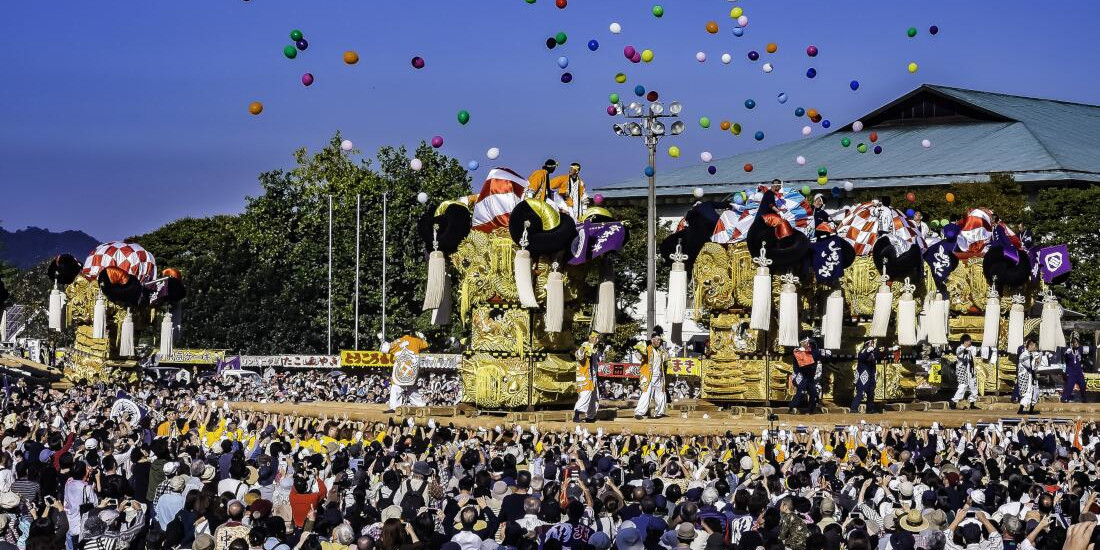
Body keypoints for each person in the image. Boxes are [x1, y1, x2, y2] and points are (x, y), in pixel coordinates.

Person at [383, 334, 429, 413]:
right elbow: (426, 344)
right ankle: (420, 404)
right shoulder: (417, 341)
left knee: (396, 387)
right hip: (412, 369)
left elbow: (384, 349)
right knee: (412, 387)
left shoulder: (398, 341)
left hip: (402, 368)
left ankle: (394, 406)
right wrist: (421, 337)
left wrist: (384, 341)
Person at [634, 333, 669, 420]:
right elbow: (638, 356)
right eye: (657, 339)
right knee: (646, 394)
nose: (659, 341)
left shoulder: (660, 351)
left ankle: (659, 412)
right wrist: (640, 351)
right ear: (652, 340)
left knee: (661, 394)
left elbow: (667, 359)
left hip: (659, 376)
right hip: (648, 376)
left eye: (660, 340)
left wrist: (664, 349)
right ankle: (639, 412)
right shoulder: (647, 348)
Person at [789, 337, 822, 415]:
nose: (811, 346)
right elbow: (806, 363)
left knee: (813, 393)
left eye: (812, 344)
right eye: (809, 344)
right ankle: (792, 407)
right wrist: (817, 352)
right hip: (801, 375)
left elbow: (817, 355)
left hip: (809, 377)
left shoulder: (812, 352)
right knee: (801, 392)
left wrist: (822, 352)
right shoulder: (798, 352)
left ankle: (811, 409)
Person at [573, 332, 601, 423]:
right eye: (596, 338)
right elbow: (580, 355)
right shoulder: (584, 347)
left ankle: (590, 417)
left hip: (593, 377)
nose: (597, 340)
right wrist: (584, 348)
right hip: (584, 377)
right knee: (585, 395)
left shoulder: (593, 349)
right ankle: (577, 415)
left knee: (594, 397)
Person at [950, 335, 980, 409]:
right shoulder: (959, 348)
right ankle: (954, 402)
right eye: (969, 340)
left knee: (974, 386)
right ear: (965, 341)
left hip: (971, 371)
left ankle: (972, 403)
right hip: (962, 370)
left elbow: (976, 352)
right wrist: (964, 350)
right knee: (962, 386)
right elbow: (959, 354)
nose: (970, 342)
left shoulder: (972, 348)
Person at [1017, 339, 1045, 415]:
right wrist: (1035, 360)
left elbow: (1036, 366)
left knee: (1035, 393)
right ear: (1030, 345)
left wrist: (1037, 361)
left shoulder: (1033, 354)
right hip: (1025, 378)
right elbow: (1029, 365)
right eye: (1034, 346)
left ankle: (1031, 409)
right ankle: (1021, 409)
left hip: (1033, 376)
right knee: (1027, 394)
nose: (1035, 347)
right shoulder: (1023, 355)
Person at [851, 339, 879, 414]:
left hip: (871, 375)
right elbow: (862, 356)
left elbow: (879, 354)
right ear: (866, 344)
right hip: (863, 376)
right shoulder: (863, 351)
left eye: (872, 343)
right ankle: (854, 408)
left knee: (871, 393)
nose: (872, 345)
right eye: (870, 343)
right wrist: (867, 351)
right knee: (860, 392)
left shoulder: (874, 352)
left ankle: (870, 409)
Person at [1062, 336, 1089, 403]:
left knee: (1083, 386)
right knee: (1069, 386)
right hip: (1071, 372)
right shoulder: (1068, 351)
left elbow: (1089, 348)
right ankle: (1064, 398)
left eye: (1077, 343)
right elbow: (1064, 357)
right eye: (1075, 343)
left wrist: (1097, 347)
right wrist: (1065, 353)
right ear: (1072, 344)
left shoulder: (1080, 349)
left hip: (1079, 372)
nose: (1077, 344)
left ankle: (1084, 399)